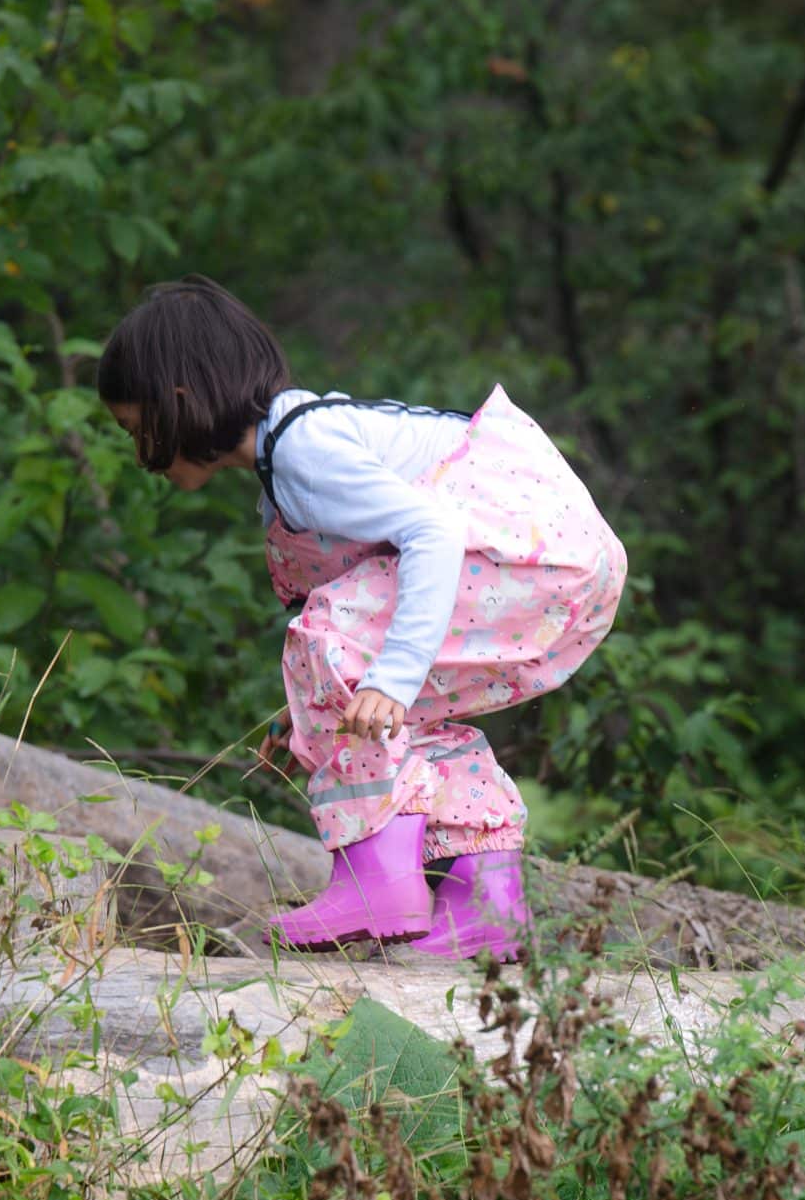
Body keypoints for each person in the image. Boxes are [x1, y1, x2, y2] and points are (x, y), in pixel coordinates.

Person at [96, 277, 626, 960]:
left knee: (329, 637)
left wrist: (390, 677)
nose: (142, 457)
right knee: (402, 716)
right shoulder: (293, 455)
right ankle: (487, 899)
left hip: (521, 554)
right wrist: (321, 702)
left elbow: (432, 532)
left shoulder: (303, 448)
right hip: (561, 571)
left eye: (140, 432)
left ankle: (379, 879)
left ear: (179, 404)